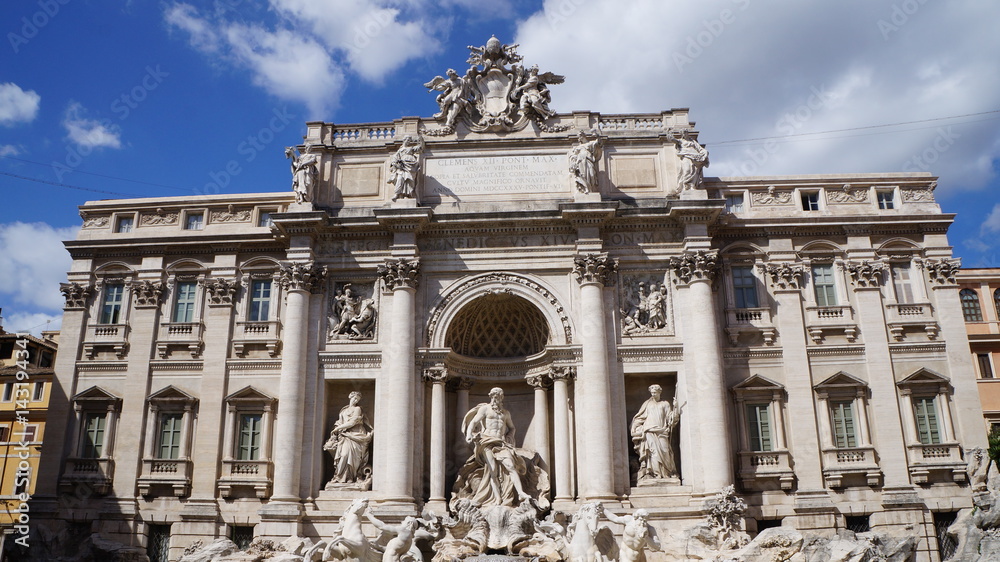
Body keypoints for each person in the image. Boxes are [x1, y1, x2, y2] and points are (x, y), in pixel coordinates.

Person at [460, 387, 530, 506]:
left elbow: (512, 427)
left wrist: (509, 437)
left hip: (501, 443)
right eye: (494, 396)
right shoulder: (485, 409)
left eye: (498, 396)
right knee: (493, 470)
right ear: (491, 397)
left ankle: (521, 493)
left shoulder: (505, 413)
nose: (496, 399)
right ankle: (497, 498)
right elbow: (473, 422)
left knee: (510, 466)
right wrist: (468, 435)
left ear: (502, 398)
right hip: (487, 440)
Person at [630, 385, 680, 480]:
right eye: (652, 393)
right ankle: (656, 474)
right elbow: (639, 417)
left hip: (662, 431)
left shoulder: (665, 404)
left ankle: (666, 473)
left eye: (655, 393)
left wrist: (676, 408)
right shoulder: (647, 404)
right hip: (649, 431)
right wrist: (636, 427)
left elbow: (670, 419)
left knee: (665, 452)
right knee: (653, 453)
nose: (653, 394)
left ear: (659, 392)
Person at [324, 391, 373, 484]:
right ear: (350, 396)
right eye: (354, 398)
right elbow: (340, 421)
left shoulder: (358, 409)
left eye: (358, 399)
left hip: (355, 434)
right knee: (343, 455)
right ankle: (340, 477)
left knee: (351, 457)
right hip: (344, 436)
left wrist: (339, 428)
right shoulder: (344, 410)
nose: (356, 400)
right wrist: (336, 428)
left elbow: (352, 422)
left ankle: (351, 477)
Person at [388, 136, 423, 201]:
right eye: (408, 140)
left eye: (409, 140)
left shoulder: (411, 148)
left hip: (411, 165)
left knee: (409, 180)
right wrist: (395, 164)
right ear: (404, 140)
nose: (409, 141)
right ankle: (397, 194)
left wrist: (420, 140)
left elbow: (420, 148)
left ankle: (408, 194)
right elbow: (394, 159)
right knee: (400, 179)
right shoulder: (399, 150)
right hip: (402, 166)